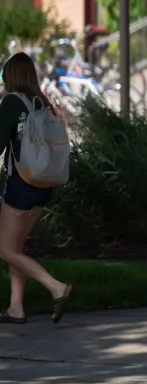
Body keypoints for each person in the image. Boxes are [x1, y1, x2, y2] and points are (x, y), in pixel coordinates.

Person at [0, 53, 72, 324]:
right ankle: (16, 308)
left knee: (5, 250)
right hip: (45, 184)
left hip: (21, 184)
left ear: (10, 76)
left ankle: (56, 287)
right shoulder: (43, 102)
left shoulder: (10, 103)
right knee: (15, 246)